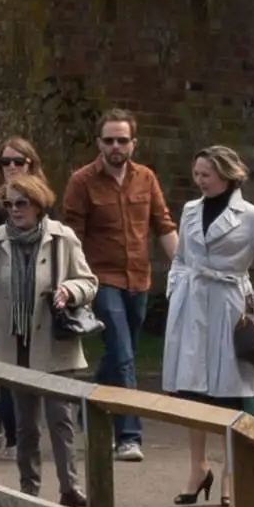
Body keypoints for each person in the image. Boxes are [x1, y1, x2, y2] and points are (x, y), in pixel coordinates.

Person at [163, 144, 254, 507]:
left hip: (229, 307)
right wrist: (175, 290)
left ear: (226, 175)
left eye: (206, 175)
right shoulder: (190, 210)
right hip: (192, 306)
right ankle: (197, 469)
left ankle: (230, 475)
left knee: (230, 393)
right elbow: (180, 259)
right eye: (196, 175)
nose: (200, 181)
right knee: (193, 393)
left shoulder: (251, 216)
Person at [0, 169, 103, 500]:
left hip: (54, 343)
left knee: (60, 421)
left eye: (22, 203)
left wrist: (69, 292)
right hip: (13, 347)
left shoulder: (63, 238)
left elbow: (89, 283)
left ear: (38, 204)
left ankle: (70, 489)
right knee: (25, 426)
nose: (15, 210)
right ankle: (28, 489)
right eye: (9, 204)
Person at [62, 111, 170, 463]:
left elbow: (162, 224)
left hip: (138, 278)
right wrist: (73, 280)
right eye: (109, 140)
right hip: (100, 280)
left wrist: (185, 269)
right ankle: (128, 435)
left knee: (120, 356)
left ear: (133, 144)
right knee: (123, 355)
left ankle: (89, 404)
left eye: (122, 140)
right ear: (99, 143)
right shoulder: (82, 181)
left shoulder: (146, 178)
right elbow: (71, 235)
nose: (115, 146)